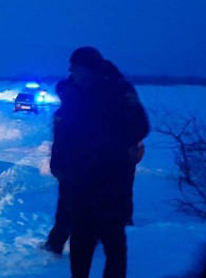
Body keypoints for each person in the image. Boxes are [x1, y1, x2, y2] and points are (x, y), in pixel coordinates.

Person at [48, 47, 149, 278]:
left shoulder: (118, 91)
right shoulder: (72, 93)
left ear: (89, 69)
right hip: (77, 179)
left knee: (113, 238)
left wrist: (105, 146)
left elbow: (140, 127)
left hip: (111, 179)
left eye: (76, 68)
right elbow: (62, 133)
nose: (71, 72)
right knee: (81, 237)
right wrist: (59, 164)